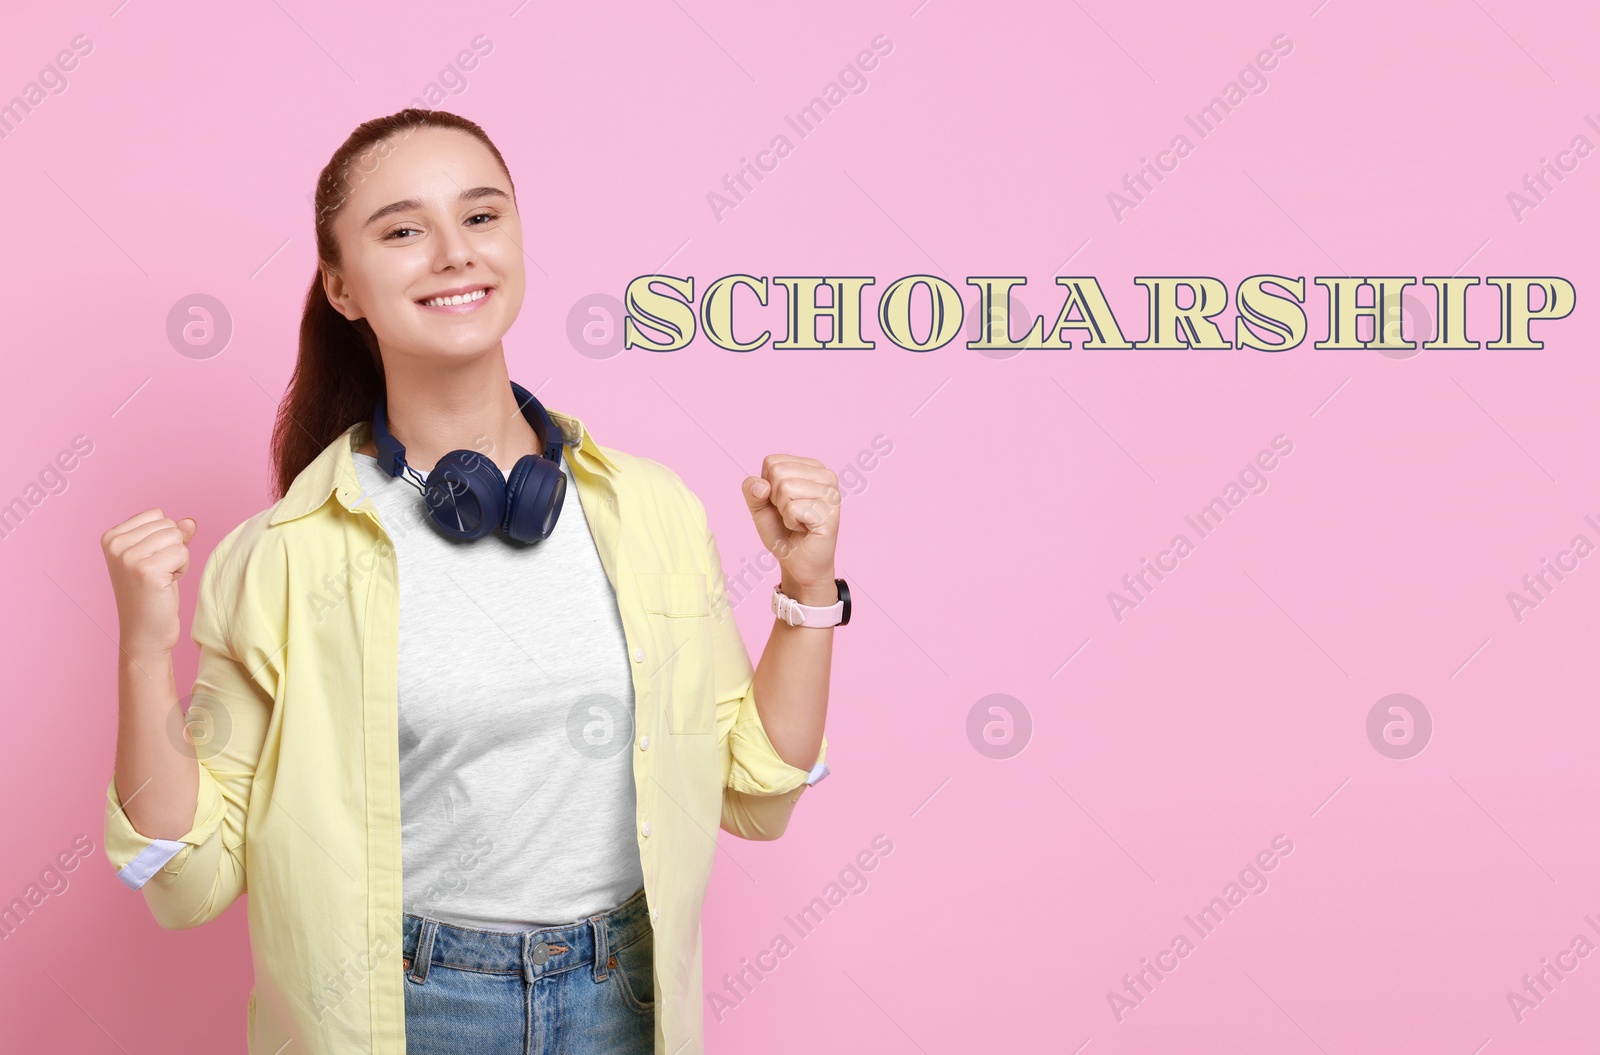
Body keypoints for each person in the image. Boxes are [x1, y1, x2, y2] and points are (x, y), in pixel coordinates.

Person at [99, 108, 849, 1055]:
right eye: (404, 230)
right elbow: (186, 874)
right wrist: (140, 648)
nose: (454, 252)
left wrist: (809, 588)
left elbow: (755, 787)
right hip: (405, 1011)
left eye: (482, 217)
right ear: (341, 285)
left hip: (628, 995)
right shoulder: (285, 555)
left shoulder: (650, 511)